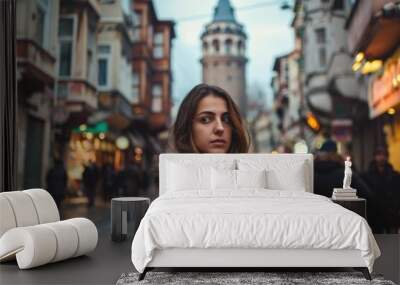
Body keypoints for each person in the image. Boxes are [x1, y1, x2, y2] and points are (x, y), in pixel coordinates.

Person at [172, 83, 250, 153]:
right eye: (206, 119)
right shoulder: (168, 168)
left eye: (226, 120)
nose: (220, 128)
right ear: (187, 127)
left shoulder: (251, 168)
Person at [362, 148, 400, 233]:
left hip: (390, 213)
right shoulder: (366, 176)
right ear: (375, 157)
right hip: (373, 214)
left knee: (391, 240)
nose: (382, 157)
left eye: (384, 155)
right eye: (379, 155)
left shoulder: (395, 175)